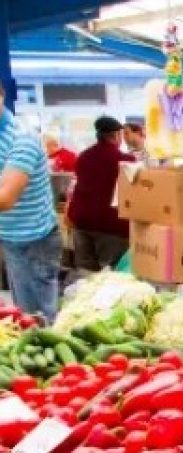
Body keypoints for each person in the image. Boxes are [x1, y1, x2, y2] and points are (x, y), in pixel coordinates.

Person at [0, 86, 61, 321]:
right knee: (22, 315)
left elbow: (5, 198)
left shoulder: (22, 137)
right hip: (11, 237)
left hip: (35, 242)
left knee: (38, 320)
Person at [67, 116, 135, 272]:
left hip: (81, 221)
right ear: (117, 135)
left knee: (85, 273)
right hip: (111, 225)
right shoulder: (125, 160)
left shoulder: (83, 156)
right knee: (112, 273)